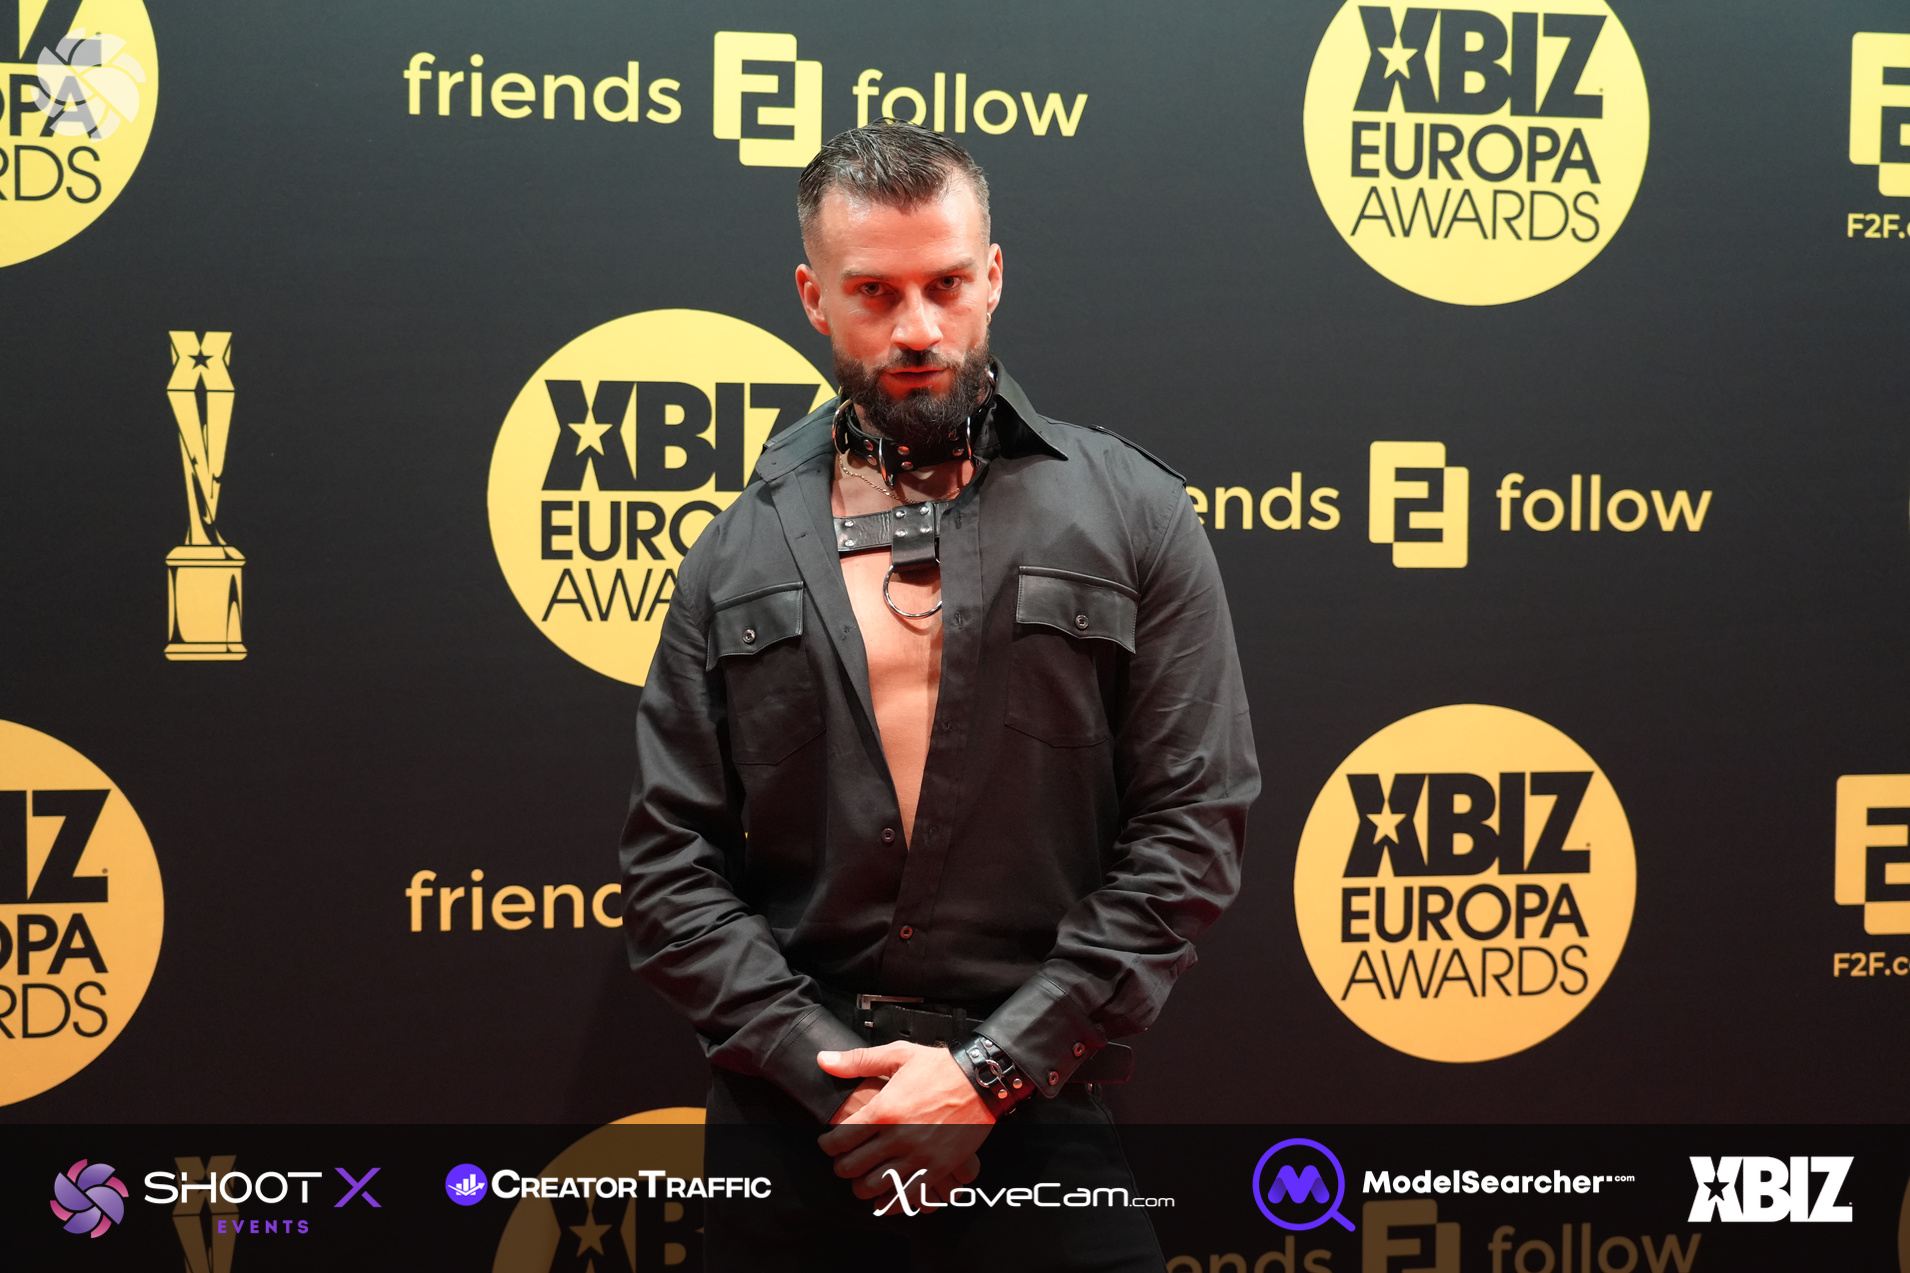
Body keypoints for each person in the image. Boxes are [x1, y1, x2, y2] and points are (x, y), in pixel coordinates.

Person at [620, 120, 1258, 1270]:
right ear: (814, 299)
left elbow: (1191, 828)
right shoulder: (733, 551)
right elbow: (670, 868)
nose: (916, 327)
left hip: (1041, 1110)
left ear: (993, 276)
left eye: (946, 284)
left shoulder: (1133, 515)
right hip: (799, 1131)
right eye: (874, 291)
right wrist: (844, 1087)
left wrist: (983, 1078)